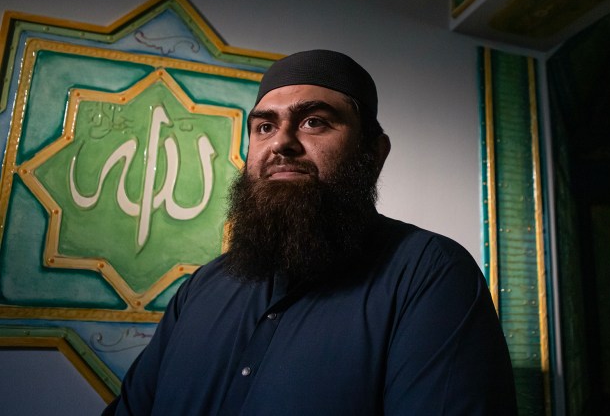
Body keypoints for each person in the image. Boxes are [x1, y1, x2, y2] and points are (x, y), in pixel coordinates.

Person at [104, 49, 517, 415]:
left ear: (374, 153)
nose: (281, 142)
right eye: (264, 127)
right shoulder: (203, 286)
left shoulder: (428, 275)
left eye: (314, 122)